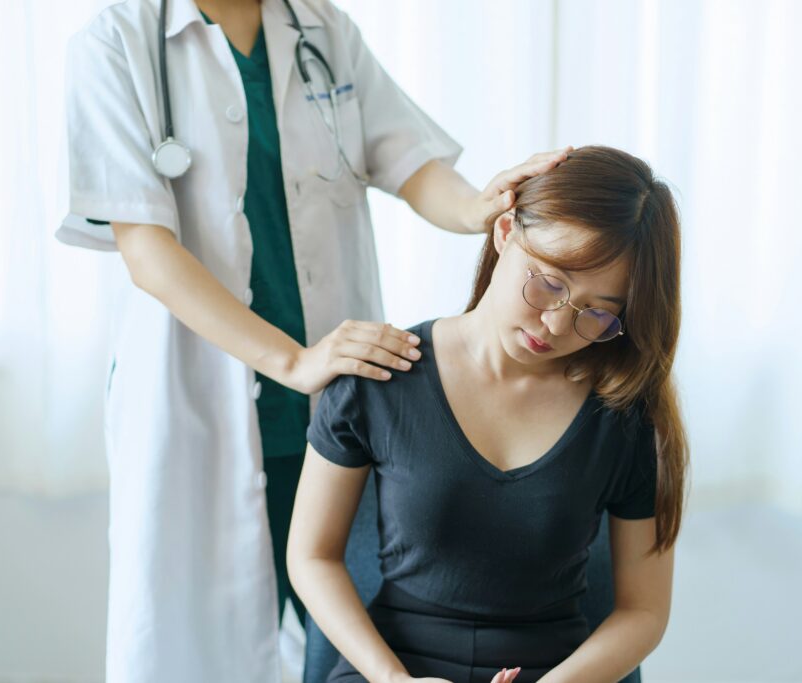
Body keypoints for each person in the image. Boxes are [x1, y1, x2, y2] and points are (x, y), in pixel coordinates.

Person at [57, 0, 569, 680]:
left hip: (339, 405)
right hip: (199, 402)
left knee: (349, 634)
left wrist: (478, 208)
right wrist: (293, 360)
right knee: (196, 649)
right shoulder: (114, 43)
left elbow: (407, 159)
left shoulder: (320, 26)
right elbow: (148, 251)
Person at [288, 145, 690, 683]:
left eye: (595, 313)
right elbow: (311, 558)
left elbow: (644, 612)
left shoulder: (622, 415)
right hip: (394, 667)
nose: (553, 323)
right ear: (504, 233)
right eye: (547, 282)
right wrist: (393, 681)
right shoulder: (380, 374)